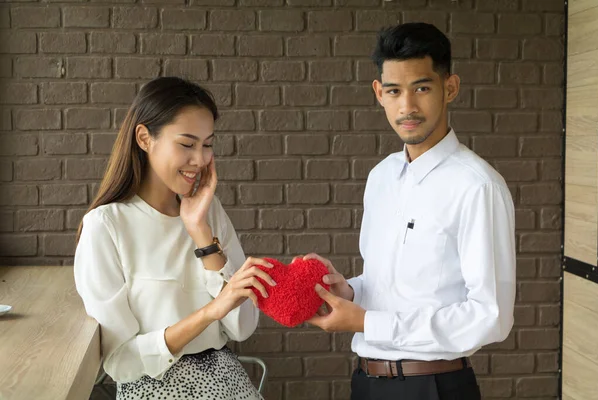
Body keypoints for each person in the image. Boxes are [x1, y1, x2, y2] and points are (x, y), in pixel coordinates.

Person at [301, 22, 516, 400]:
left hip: (433, 386)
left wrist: (369, 322)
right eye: (394, 91)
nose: (408, 107)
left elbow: (490, 316)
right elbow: (388, 285)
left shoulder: (477, 186)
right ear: (378, 93)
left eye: (422, 88)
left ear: (450, 88)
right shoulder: (381, 176)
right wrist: (350, 291)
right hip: (366, 383)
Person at [74, 77, 275, 400]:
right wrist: (209, 314)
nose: (200, 159)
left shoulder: (209, 213)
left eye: (207, 144)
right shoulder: (106, 226)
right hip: (156, 390)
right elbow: (120, 360)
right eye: (187, 144)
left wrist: (201, 233)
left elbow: (242, 326)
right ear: (144, 138)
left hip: (230, 383)